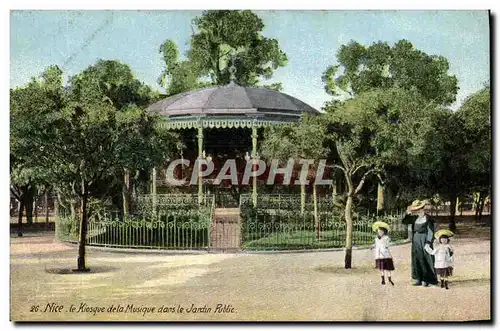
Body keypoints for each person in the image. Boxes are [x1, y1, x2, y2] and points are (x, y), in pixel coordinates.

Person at [402, 200, 438, 286]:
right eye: (416, 210)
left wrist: (428, 242)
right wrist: (407, 213)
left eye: (420, 209)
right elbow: (404, 221)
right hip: (416, 240)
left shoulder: (428, 219)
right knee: (417, 258)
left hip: (425, 239)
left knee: (427, 258)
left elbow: (431, 232)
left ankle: (427, 279)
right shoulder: (414, 218)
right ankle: (418, 278)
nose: (418, 211)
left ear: (423, 209)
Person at [372, 221, 395, 286]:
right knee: (381, 268)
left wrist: (384, 241)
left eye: (381, 232)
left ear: (384, 232)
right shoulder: (376, 238)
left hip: (385, 255)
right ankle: (383, 280)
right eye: (378, 232)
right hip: (379, 255)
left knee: (388, 268)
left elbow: (387, 245)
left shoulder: (386, 238)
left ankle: (390, 279)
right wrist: (373, 246)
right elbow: (375, 244)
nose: (379, 233)